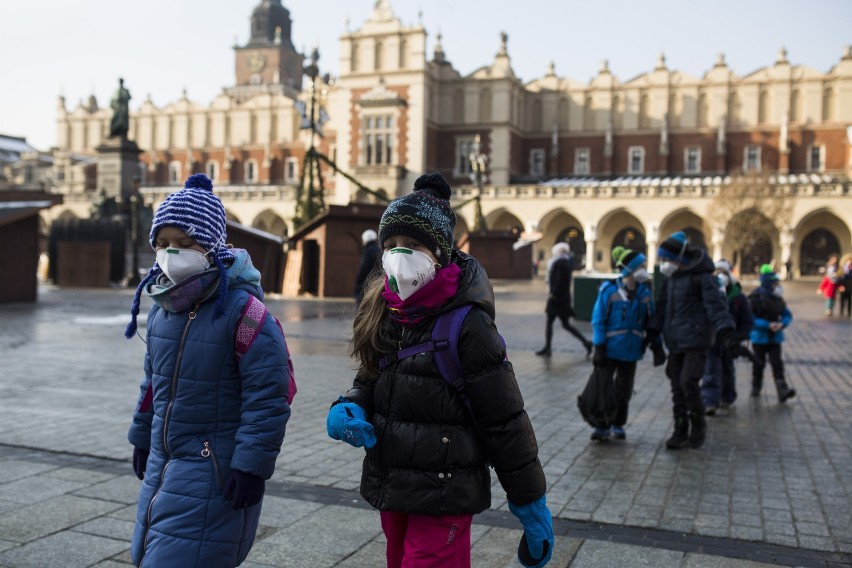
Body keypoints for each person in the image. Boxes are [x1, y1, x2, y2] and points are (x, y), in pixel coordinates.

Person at [326, 172, 554, 568]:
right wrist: (351, 405)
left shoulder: (468, 324)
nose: (400, 255)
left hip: (445, 493)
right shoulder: (387, 309)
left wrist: (529, 500)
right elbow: (372, 375)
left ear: (440, 253)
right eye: (392, 245)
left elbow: (505, 419)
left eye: (413, 245)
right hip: (392, 483)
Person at [125, 173, 291, 568]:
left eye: (184, 244)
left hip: (214, 467)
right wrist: (141, 431)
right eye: (162, 244)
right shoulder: (163, 308)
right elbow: (153, 382)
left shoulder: (245, 314)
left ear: (213, 245)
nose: (171, 253)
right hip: (163, 461)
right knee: (149, 550)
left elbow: (268, 395)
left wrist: (252, 464)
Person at [646, 232, 737, 450]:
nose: (664, 264)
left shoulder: (701, 278)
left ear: (679, 258)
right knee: (677, 386)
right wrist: (653, 331)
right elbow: (662, 308)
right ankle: (680, 428)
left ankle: (698, 427)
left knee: (688, 382)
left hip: (696, 341)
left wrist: (726, 330)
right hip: (675, 341)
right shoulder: (670, 280)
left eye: (667, 259)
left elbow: (715, 306)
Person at [589, 247, 663, 441]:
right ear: (630, 268)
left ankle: (618, 424)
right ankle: (602, 425)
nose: (644, 270)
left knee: (624, 390)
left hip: (632, 351)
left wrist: (656, 345)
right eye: (641, 266)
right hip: (609, 350)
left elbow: (651, 321)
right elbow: (598, 319)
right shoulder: (610, 290)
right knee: (604, 389)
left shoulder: (645, 294)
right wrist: (599, 347)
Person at [699, 259, 754, 415]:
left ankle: (727, 397)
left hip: (730, 340)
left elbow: (747, 320)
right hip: (712, 339)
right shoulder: (709, 292)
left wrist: (739, 336)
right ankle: (709, 401)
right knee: (711, 369)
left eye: (723, 272)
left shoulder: (738, 297)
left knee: (727, 370)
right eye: (717, 272)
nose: (720, 275)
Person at [535, 242, 593, 358]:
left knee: (558, 324)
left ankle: (549, 348)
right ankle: (549, 347)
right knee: (559, 324)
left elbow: (560, 281)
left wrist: (553, 293)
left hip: (557, 299)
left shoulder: (561, 263)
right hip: (562, 298)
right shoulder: (566, 262)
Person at [749, 265, 796, 402]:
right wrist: (767, 325)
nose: (778, 286)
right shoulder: (755, 298)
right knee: (758, 363)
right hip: (759, 338)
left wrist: (782, 324)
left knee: (777, 364)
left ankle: (782, 390)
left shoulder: (778, 300)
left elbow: (787, 315)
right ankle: (756, 385)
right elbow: (750, 318)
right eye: (775, 284)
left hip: (775, 338)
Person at [354, 228, 381, 304]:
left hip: (368, 288)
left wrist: (357, 291)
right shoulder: (379, 250)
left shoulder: (368, 251)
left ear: (365, 240)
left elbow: (363, 270)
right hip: (377, 286)